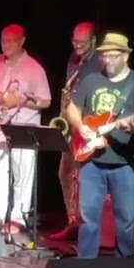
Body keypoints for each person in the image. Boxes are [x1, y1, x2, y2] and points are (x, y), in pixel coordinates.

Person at [65, 33, 134, 258]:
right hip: (91, 162)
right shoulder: (91, 81)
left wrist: (129, 127)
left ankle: (124, 267)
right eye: (104, 56)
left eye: (113, 56)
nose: (108, 61)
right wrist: (82, 127)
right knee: (88, 221)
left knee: (125, 222)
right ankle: (86, 267)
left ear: (126, 56)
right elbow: (72, 109)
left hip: (124, 163)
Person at [0, 24, 50, 231]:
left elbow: (45, 101)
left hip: (23, 128)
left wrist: (19, 101)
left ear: (22, 41)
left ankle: (18, 218)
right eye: (3, 41)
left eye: (11, 41)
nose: (6, 45)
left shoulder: (34, 68)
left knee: (23, 175)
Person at [52, 22, 101, 240]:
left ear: (93, 41)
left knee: (83, 177)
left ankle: (86, 225)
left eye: (82, 42)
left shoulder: (100, 63)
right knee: (65, 173)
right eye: (74, 41)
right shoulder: (73, 60)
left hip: (88, 124)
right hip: (70, 124)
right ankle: (73, 220)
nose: (77, 45)